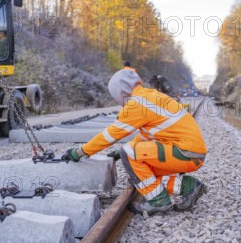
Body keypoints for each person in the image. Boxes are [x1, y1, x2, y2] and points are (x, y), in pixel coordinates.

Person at [62, 67, 207, 215]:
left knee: (129, 152)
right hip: (190, 153)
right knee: (144, 175)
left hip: (185, 153)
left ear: (120, 92)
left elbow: (110, 135)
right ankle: (189, 186)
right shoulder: (149, 96)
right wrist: (119, 152)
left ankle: (159, 201)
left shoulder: (136, 103)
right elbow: (146, 137)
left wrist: (80, 152)